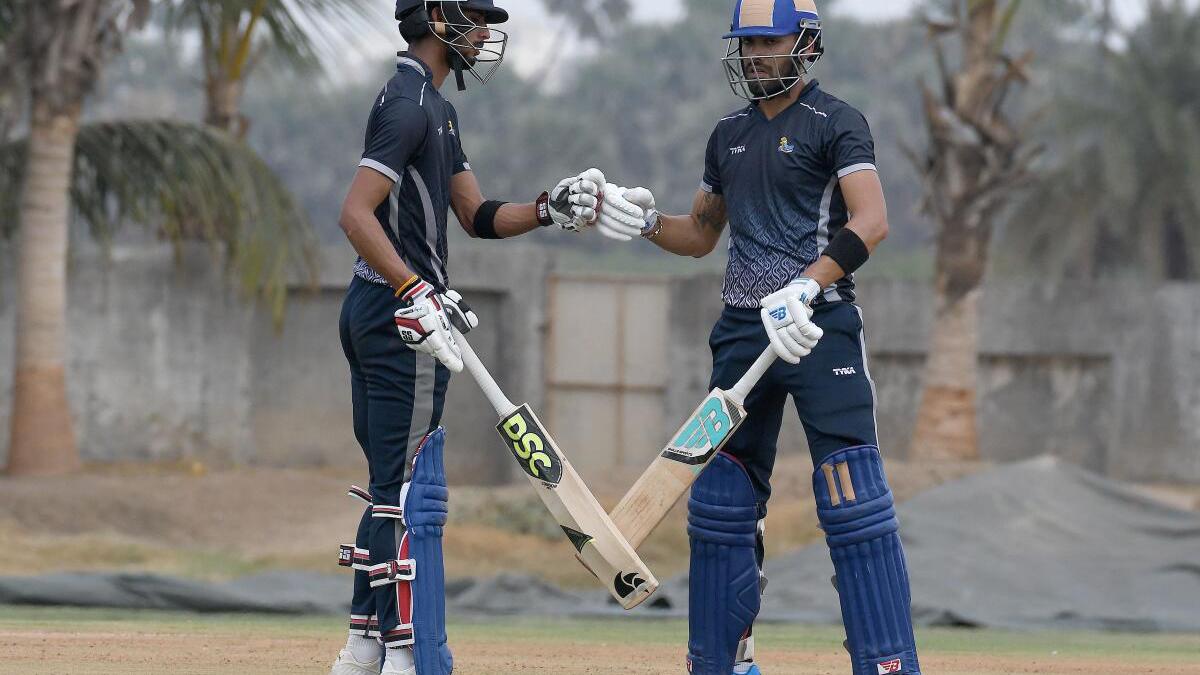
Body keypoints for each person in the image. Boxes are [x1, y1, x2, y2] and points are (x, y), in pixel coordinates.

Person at [595, 1, 921, 673]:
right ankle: (722, 661)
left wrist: (807, 286)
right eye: (745, 43)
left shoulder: (838, 123)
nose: (753, 55)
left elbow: (873, 220)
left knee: (851, 495)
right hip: (744, 333)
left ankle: (887, 663)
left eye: (766, 41)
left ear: (804, 42)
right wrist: (645, 221)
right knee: (721, 501)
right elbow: (700, 234)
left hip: (817, 325)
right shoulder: (729, 134)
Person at [330, 2, 606, 673]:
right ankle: (404, 651)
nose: (486, 32)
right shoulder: (406, 103)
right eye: (476, 17)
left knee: (387, 485)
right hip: (402, 321)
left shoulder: (436, 107)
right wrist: (414, 290)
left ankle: (364, 645)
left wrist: (546, 207)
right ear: (435, 17)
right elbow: (355, 212)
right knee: (408, 486)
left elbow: (475, 214)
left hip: (380, 308)